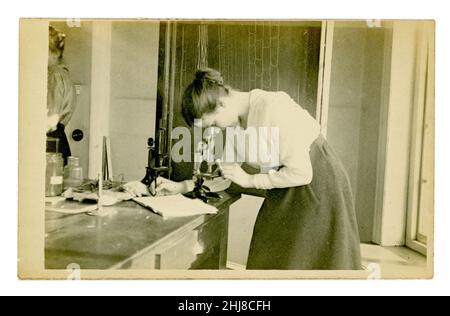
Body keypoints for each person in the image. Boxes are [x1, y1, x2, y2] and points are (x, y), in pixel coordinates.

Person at [125, 68, 362, 270]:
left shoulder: (273, 107)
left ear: (221, 102)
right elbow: (223, 177)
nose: (214, 129)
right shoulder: (235, 122)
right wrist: (180, 186)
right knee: (268, 257)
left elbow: (302, 173)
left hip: (317, 184)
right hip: (285, 185)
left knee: (306, 262)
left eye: (214, 123)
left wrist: (249, 180)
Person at [46, 25, 76, 165]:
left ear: (54, 53)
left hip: (51, 139)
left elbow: (50, 120)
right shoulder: (63, 73)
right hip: (59, 138)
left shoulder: (54, 74)